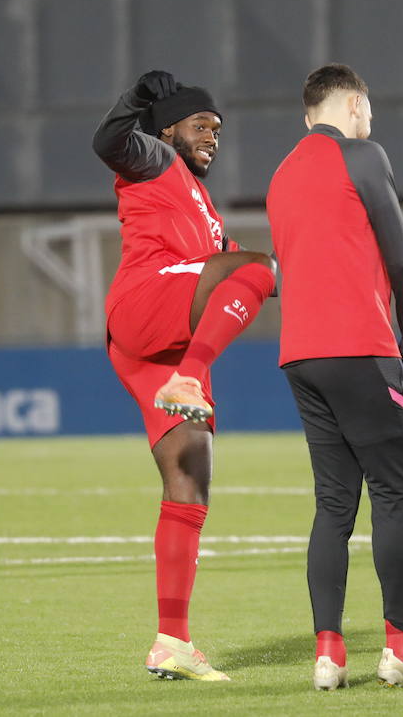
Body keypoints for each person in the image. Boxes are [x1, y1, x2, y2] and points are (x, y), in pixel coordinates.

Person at [92, 69, 277, 682]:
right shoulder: (153, 158)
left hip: (152, 347)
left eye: (219, 130)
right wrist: (137, 101)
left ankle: (171, 641)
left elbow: (229, 274)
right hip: (147, 306)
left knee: (189, 475)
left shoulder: (205, 209)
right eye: (202, 124)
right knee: (259, 268)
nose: (213, 137)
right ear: (169, 129)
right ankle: (192, 376)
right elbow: (108, 141)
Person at [265, 63, 403, 692]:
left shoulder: (281, 173)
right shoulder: (364, 155)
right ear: (354, 104)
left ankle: (328, 656)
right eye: (369, 108)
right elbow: (401, 260)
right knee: (394, 493)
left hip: (300, 356)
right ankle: (400, 649)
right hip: (363, 349)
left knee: (334, 504)